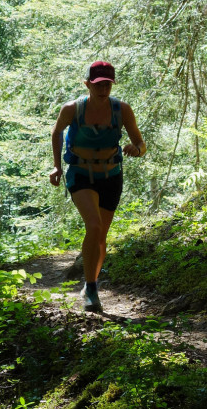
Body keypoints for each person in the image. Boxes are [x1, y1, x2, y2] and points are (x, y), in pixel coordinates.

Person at [49, 60, 146, 312]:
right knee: (93, 225)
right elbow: (57, 132)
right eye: (98, 84)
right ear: (87, 84)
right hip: (81, 174)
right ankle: (91, 288)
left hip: (111, 175)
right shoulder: (72, 109)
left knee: (101, 235)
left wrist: (136, 149)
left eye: (107, 84)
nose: (103, 89)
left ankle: (91, 281)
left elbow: (140, 143)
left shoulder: (122, 110)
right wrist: (57, 166)